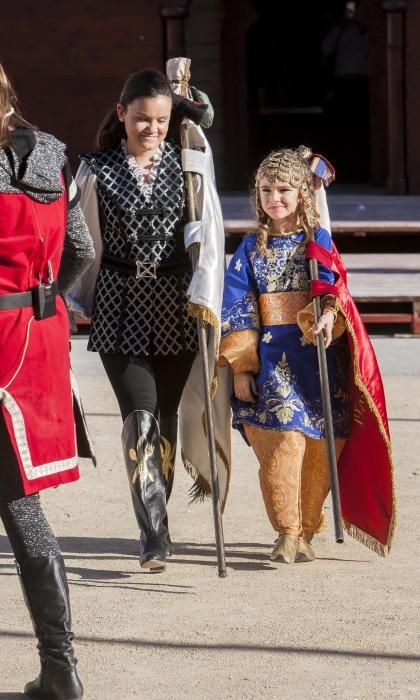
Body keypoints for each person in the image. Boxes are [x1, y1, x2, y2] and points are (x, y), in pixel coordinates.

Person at [219, 146, 395, 563]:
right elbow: (238, 307)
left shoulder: (318, 244)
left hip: (318, 362)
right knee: (283, 443)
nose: (274, 198)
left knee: (320, 446)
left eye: (283, 189)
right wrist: (242, 368)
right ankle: (286, 530)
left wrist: (327, 315)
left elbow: (334, 291)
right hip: (271, 360)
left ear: (301, 193)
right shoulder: (248, 250)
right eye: (266, 190)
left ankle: (307, 529)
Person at [75, 69, 203, 572]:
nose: (152, 128)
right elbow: (81, 238)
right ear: (122, 112)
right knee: (141, 417)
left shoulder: (189, 162)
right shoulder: (95, 168)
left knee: (165, 421)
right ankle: (154, 532)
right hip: (118, 299)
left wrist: (192, 103)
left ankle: (157, 515)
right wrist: (71, 298)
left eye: (163, 120)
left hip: (175, 301)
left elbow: (206, 228)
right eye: (143, 118)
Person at [0, 64, 95, 698]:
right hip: (38, 339)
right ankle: (61, 672)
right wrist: (43, 303)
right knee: (22, 508)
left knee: (20, 507)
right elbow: (81, 252)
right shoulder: (53, 158)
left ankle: (61, 672)